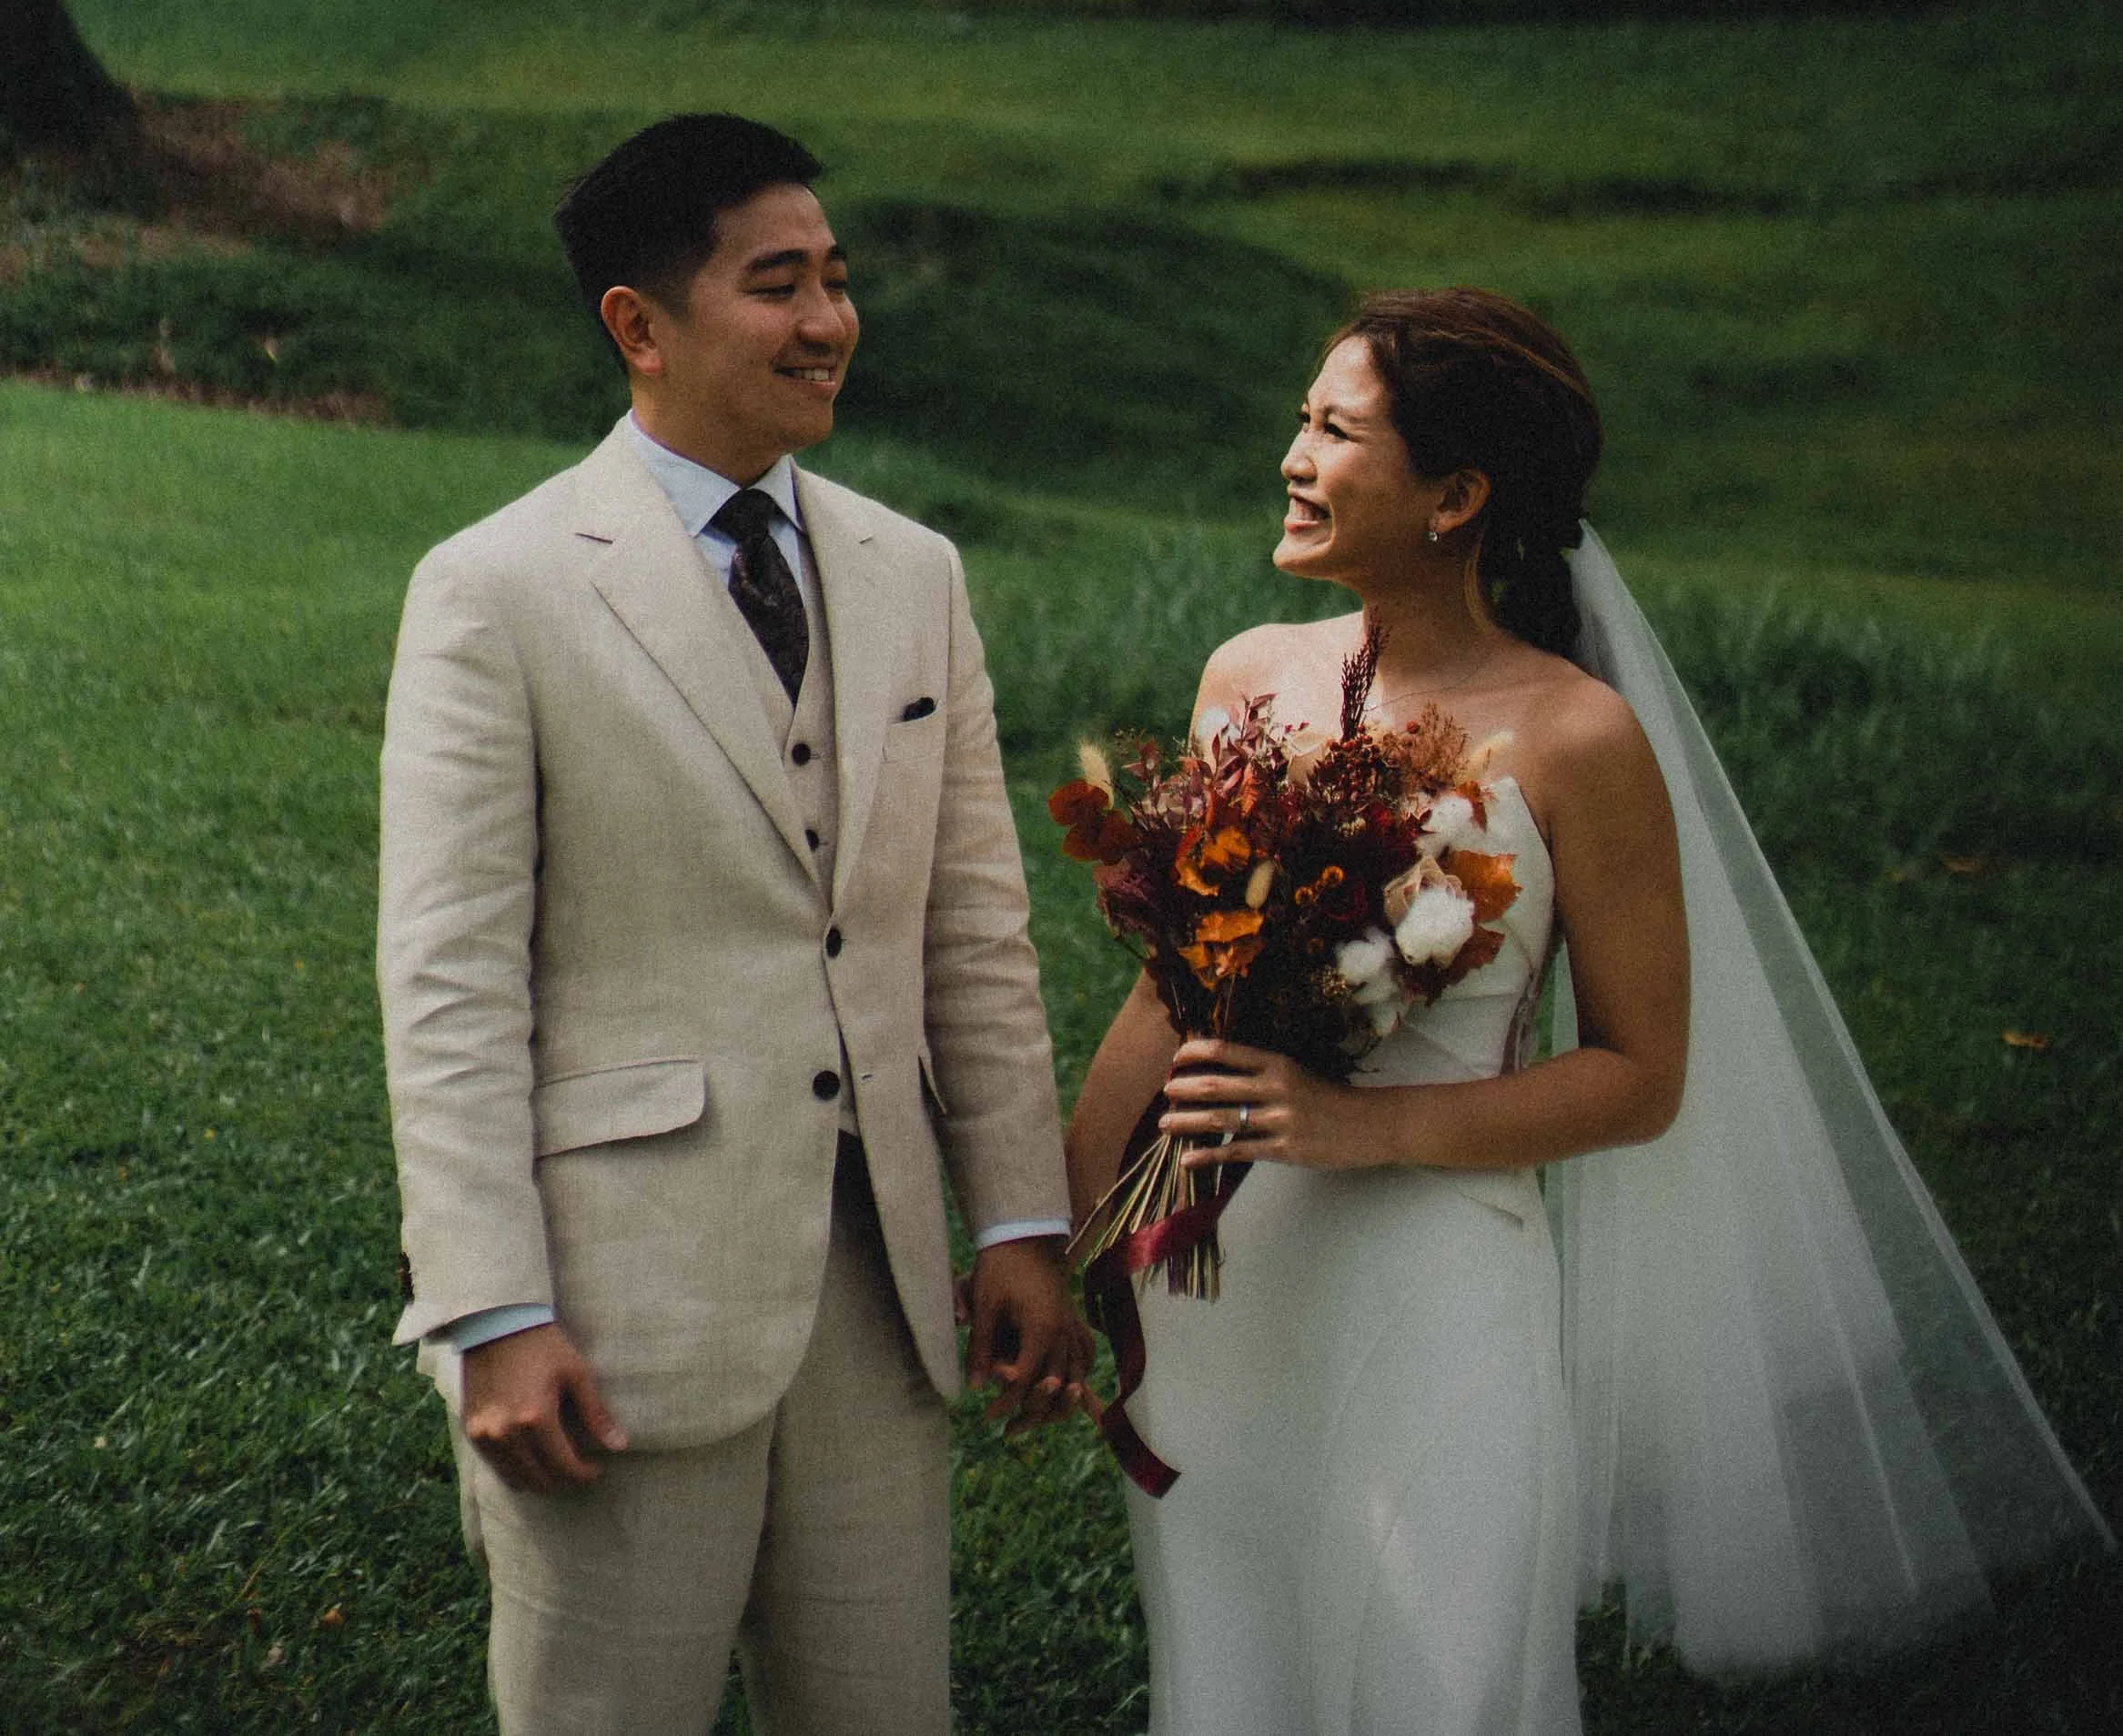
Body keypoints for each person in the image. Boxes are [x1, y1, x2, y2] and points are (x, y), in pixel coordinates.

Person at [1067, 288, 2109, 1736]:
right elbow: (1164, 992)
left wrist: (1357, 1127)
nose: (1294, 456)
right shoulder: (1248, 678)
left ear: (1458, 496)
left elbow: (1639, 1076)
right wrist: (1069, 1234)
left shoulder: (1573, 736)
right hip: (1224, 1284)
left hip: (1433, 1277)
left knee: (1442, 1671)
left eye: (1335, 429)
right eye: (1302, 420)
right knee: (1232, 1674)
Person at [379, 112, 1087, 1736]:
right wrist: (494, 1309)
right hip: (617, 1307)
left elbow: (974, 935)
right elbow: (448, 984)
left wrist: (1019, 1225)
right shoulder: (500, 588)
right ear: (641, 324)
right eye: (779, 284)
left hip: (881, 1293)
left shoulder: (917, 575)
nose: (829, 319)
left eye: (836, 279)